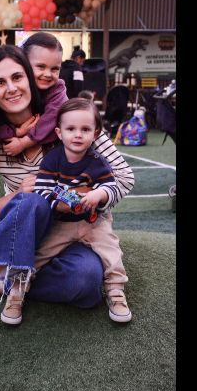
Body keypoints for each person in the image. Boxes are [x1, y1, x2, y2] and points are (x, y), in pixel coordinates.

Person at [0, 44, 135, 380]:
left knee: (86, 283)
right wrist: (15, 197)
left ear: (30, 78)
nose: (12, 88)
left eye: (17, 76)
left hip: (74, 233)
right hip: (25, 237)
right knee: (32, 199)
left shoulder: (70, 120)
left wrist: (83, 196)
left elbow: (123, 178)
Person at [34, 97, 132, 322]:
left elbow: (110, 184)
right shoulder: (52, 159)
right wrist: (57, 203)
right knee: (40, 253)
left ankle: (116, 291)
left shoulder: (97, 160)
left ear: (96, 134)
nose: (78, 134)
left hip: (93, 222)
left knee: (111, 251)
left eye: (85, 129)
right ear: (59, 133)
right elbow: (42, 188)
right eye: (71, 129)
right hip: (62, 222)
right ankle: (18, 285)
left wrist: (100, 194)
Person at [0, 32, 67, 157]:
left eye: (55, 69)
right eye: (41, 66)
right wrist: (15, 132)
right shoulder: (13, 91)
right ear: (24, 63)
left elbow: (50, 120)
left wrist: (23, 142)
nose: (48, 74)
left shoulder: (57, 90)